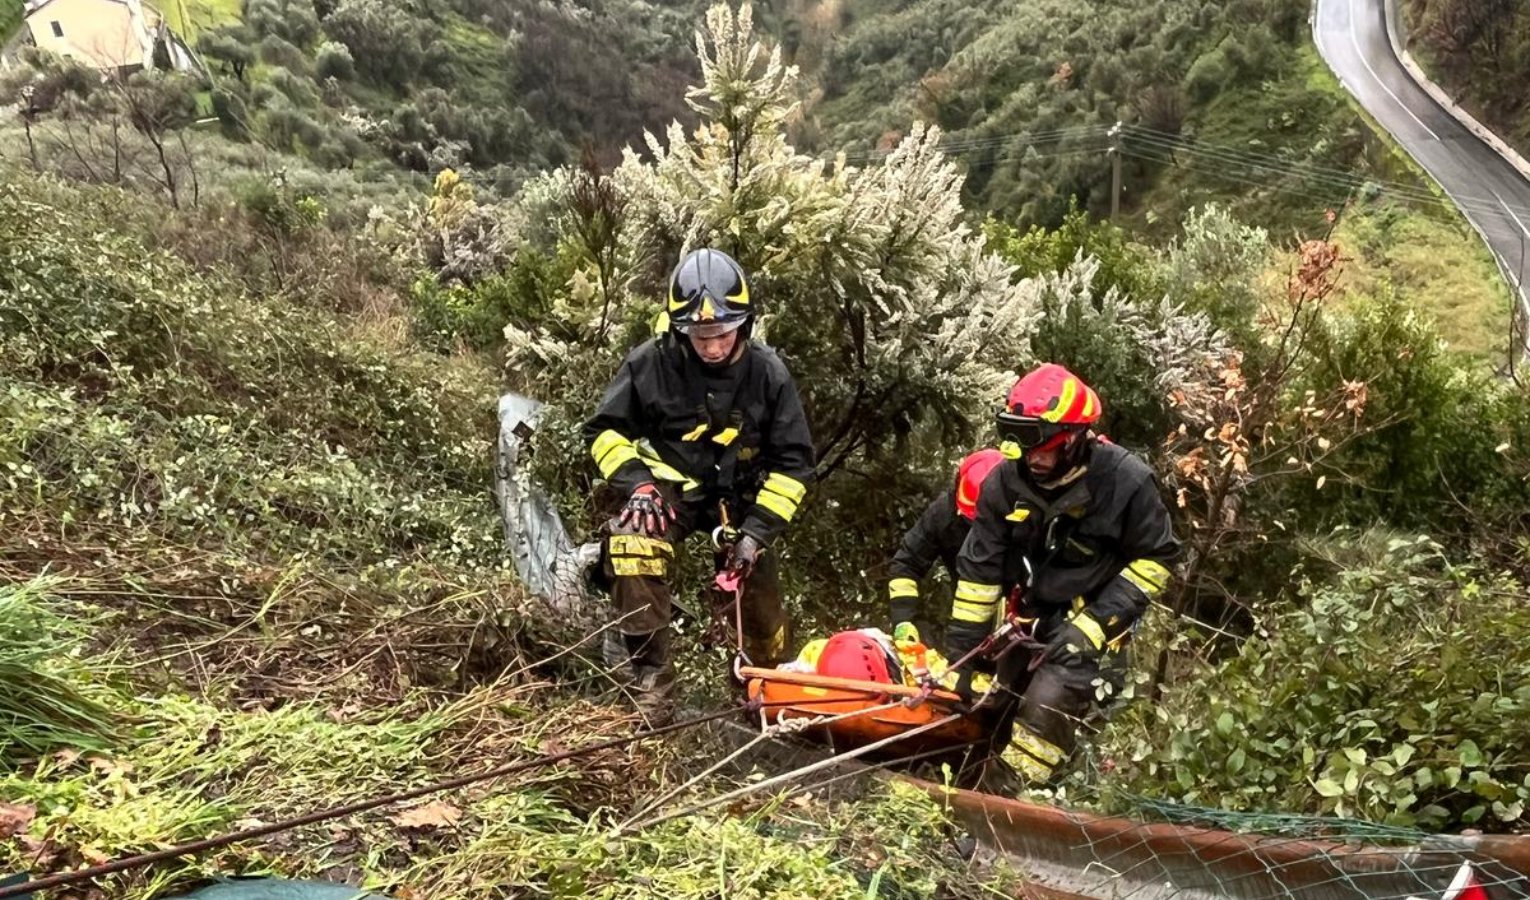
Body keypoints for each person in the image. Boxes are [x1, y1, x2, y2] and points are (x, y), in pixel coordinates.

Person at [582, 248, 815, 726]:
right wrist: (638, 485)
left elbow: (794, 464)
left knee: (762, 611)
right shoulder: (650, 364)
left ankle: (763, 692)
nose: (711, 346)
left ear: (744, 325)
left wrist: (756, 533)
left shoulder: (769, 374)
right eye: (699, 335)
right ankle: (652, 681)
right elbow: (604, 432)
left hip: (744, 502)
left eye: (722, 333)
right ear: (679, 328)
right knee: (631, 543)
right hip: (670, 489)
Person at [944, 363, 1179, 785]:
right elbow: (978, 575)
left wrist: (1093, 626)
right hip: (1028, 621)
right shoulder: (1004, 483)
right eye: (1022, 443)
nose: (1031, 457)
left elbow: (1158, 558)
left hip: (1091, 631)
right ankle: (966, 796)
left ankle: (1009, 816)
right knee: (990, 711)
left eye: (1042, 445)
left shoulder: (1125, 482)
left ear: (1073, 437)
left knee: (1042, 719)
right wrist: (965, 658)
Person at [886, 448, 1007, 645]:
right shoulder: (943, 514)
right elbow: (906, 563)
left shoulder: (1025, 514)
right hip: (967, 618)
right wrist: (903, 619)